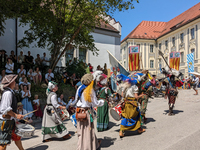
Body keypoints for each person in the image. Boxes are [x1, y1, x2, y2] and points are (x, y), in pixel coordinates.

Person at [73, 73, 104, 150]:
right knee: (88, 130)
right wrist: (102, 102)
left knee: (81, 130)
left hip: (79, 111)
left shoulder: (80, 88)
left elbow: (75, 100)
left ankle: (92, 144)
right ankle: (88, 147)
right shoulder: (90, 90)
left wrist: (71, 105)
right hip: (86, 112)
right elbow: (95, 103)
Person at [0, 74, 24, 150]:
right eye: (14, 81)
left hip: (10, 121)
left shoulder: (10, 92)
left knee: (17, 137)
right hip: (6, 122)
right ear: (10, 83)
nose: (15, 82)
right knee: (3, 143)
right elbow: (5, 109)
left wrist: (15, 116)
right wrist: (16, 115)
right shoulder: (8, 93)